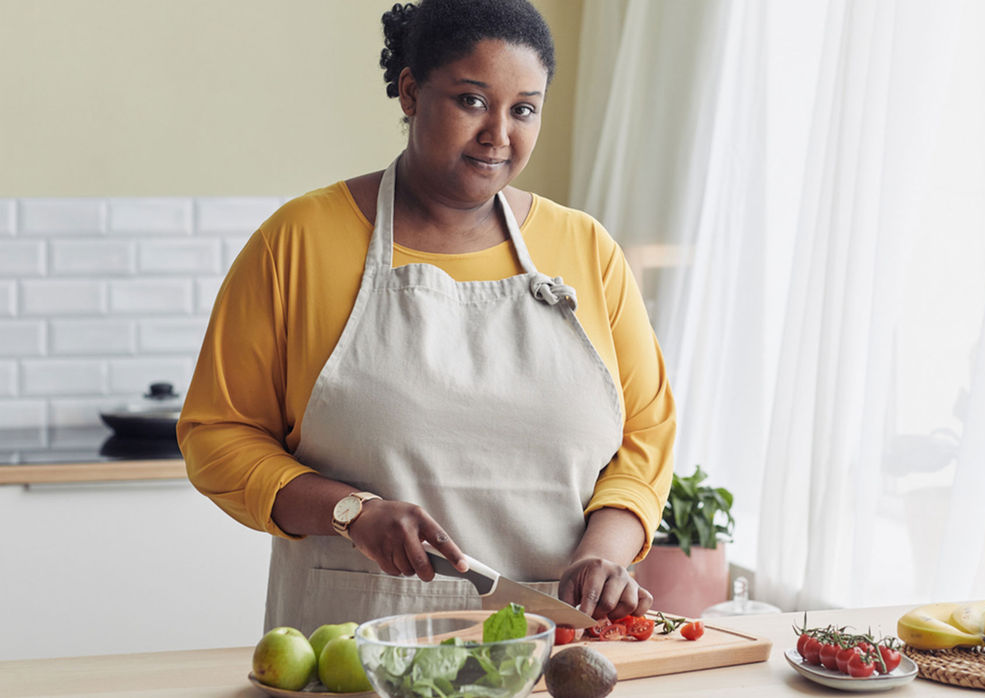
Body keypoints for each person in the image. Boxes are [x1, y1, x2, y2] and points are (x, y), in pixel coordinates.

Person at [179, 0, 675, 634]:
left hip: (555, 643)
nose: (500, 132)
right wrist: (352, 512)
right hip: (355, 645)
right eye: (472, 100)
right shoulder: (298, 242)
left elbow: (646, 434)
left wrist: (605, 550)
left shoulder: (586, 249)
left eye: (524, 108)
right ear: (411, 92)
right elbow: (217, 435)